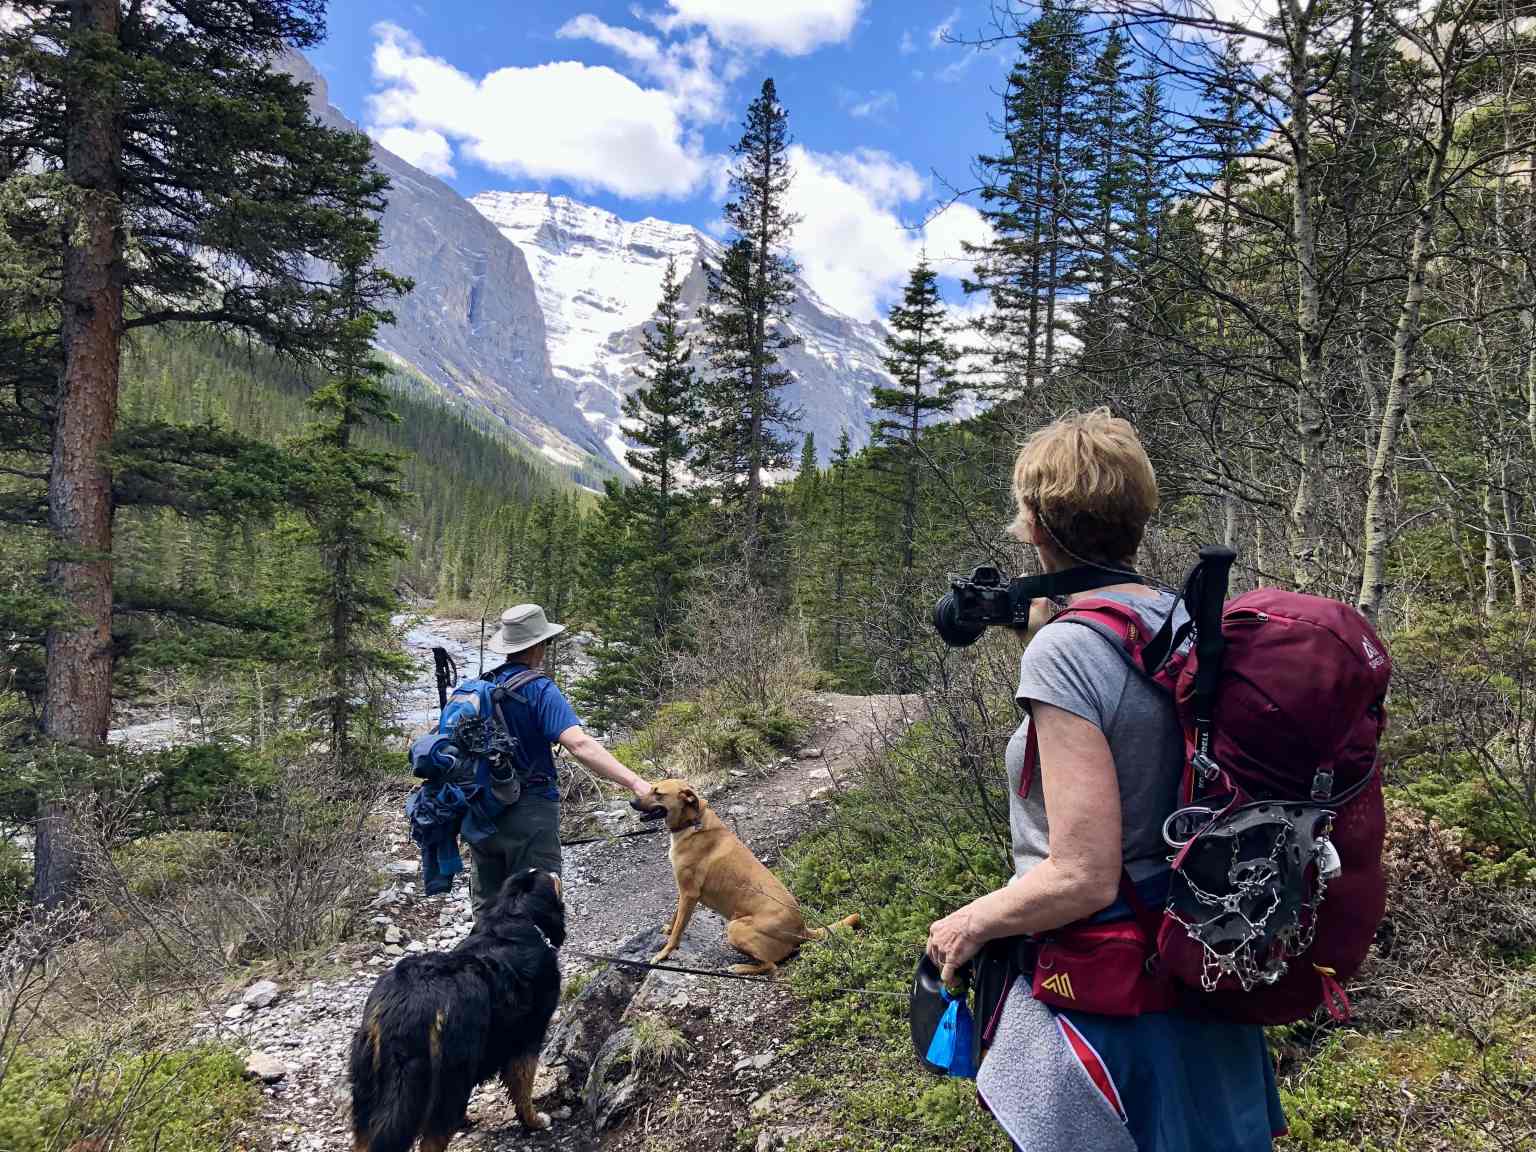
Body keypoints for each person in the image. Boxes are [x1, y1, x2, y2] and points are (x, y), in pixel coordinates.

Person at [924, 410, 1286, 1151]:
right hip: (1198, 955)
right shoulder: (1178, 619)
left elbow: (1082, 876)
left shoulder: (1068, 650)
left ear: (1034, 524)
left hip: (1108, 986)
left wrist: (968, 922)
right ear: (1139, 516)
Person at [468, 603, 654, 921]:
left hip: (481, 813)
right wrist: (636, 783)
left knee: (488, 915)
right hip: (530, 812)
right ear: (538, 645)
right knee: (534, 911)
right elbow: (578, 744)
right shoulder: (539, 689)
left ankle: (483, 954)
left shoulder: (482, 686)